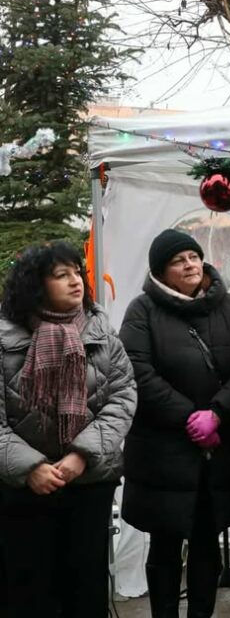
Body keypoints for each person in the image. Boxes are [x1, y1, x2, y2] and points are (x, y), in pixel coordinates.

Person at [119, 229, 230, 617]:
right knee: (163, 546)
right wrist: (188, 417)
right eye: (178, 260)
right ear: (162, 272)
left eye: (193, 256)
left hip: (217, 450)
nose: (190, 264)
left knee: (205, 542)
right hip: (163, 451)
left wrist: (217, 413)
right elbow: (137, 372)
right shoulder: (142, 310)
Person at [0, 242, 136, 616]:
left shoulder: (101, 331)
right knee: (30, 589)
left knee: (87, 586)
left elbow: (122, 398)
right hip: (22, 490)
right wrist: (30, 467)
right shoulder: (5, 338)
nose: (75, 281)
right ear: (34, 285)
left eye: (78, 272)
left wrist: (82, 454)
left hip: (89, 482)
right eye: (61, 275)